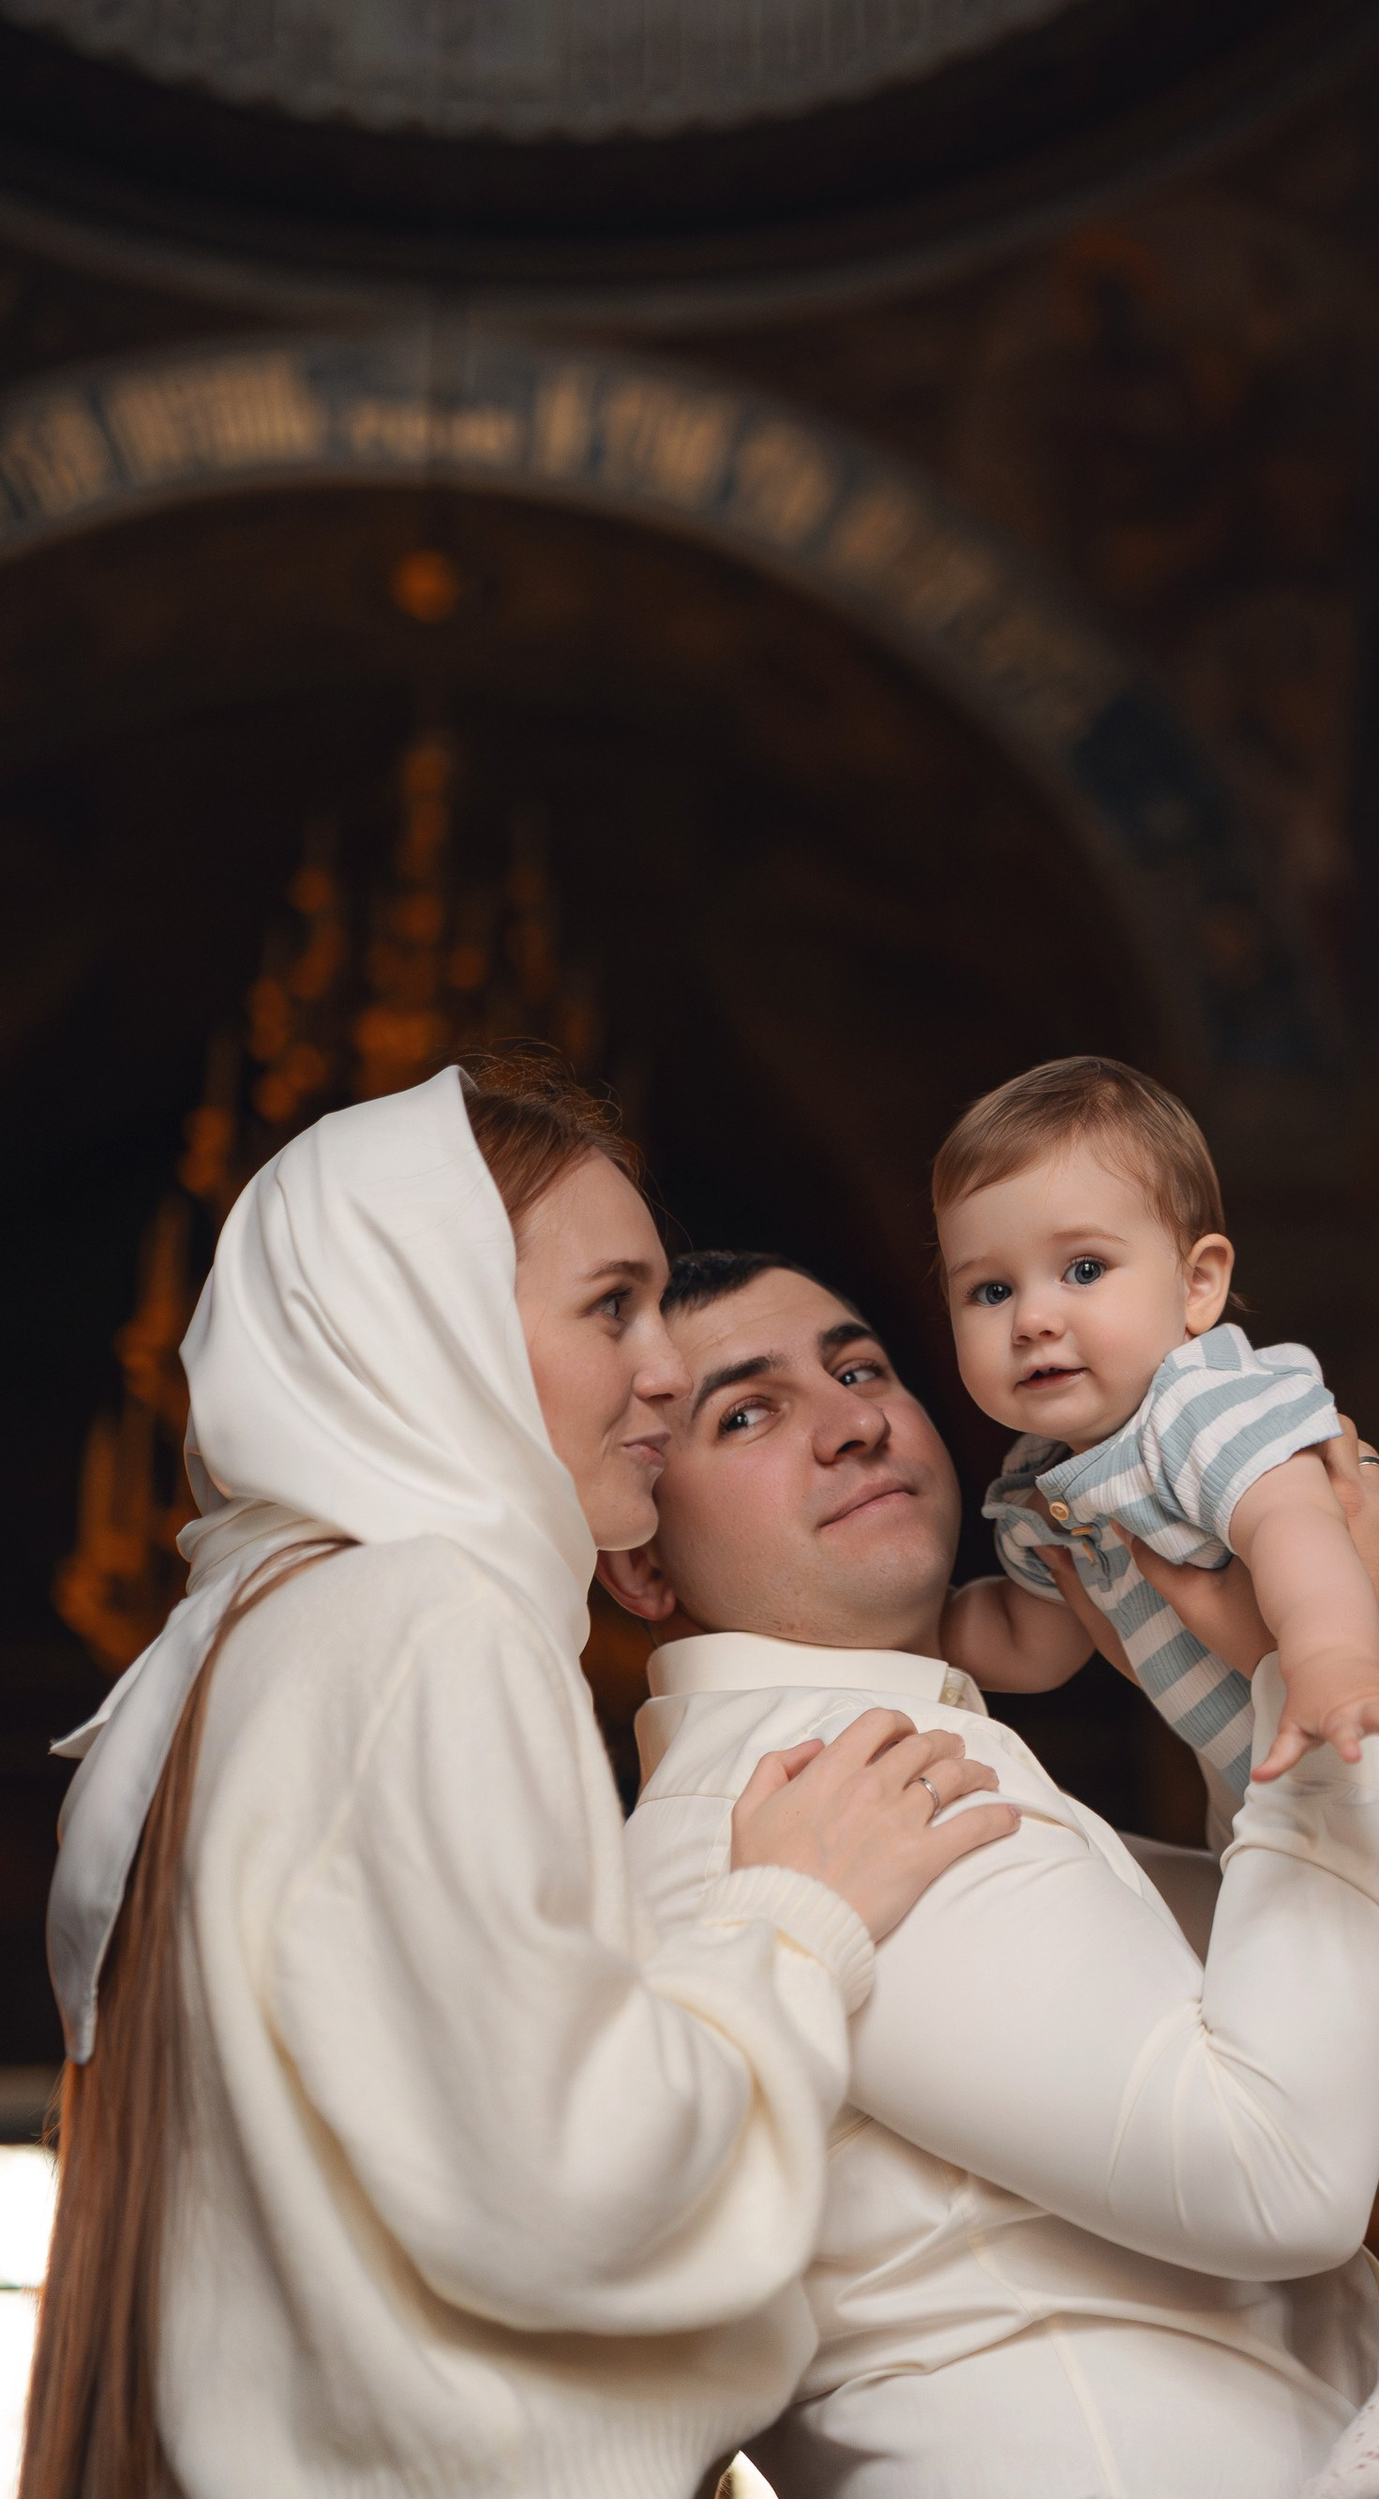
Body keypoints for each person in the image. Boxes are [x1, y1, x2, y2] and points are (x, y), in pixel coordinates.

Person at [30, 1059, 1018, 2499]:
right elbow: (567, 2185)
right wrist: (792, 1924)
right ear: (431, 1325)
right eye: (611, 1305)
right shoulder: (430, 1617)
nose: (666, 1368)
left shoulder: (265, 1643)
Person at [599, 1249, 1379, 2499]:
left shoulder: (900, 1756)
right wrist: (1346, 1683)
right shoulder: (820, 1789)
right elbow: (1278, 2170)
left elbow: (1322, 2009)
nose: (853, 1422)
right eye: (748, 1412)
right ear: (642, 1564)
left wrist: (1249, 1682)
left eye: (859, 1367)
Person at [931, 1058, 1379, 2497]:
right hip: (1339, 1803)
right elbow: (1037, 1644)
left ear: (1197, 1284)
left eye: (1079, 1267)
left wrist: (1331, 1661)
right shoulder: (1040, 1488)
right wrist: (909, 1634)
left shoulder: (1206, 1401)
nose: (1036, 1315)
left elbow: (1299, 1526)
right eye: (987, 1293)